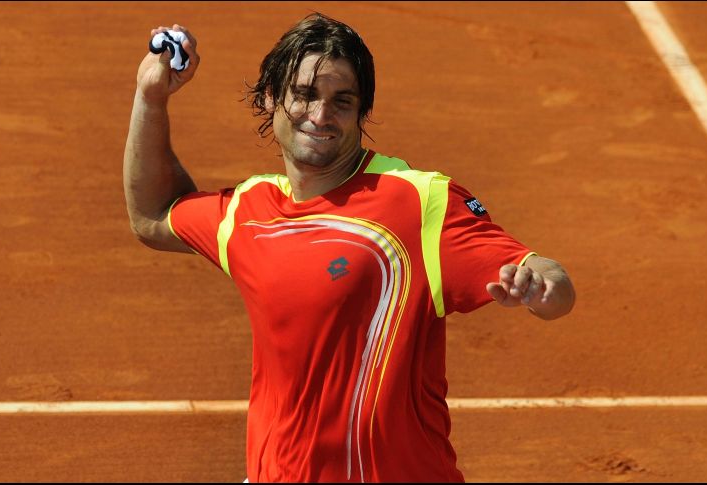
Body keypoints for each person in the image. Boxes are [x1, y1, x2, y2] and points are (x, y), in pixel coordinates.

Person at [123, 13, 575, 483]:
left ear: (361, 113)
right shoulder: (249, 211)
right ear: (271, 97)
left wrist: (542, 286)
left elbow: (549, 279)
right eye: (305, 94)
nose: (321, 115)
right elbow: (153, 215)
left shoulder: (415, 201)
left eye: (342, 101)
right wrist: (150, 97)